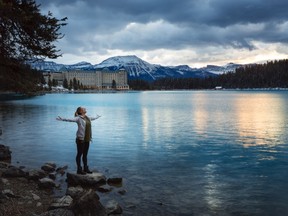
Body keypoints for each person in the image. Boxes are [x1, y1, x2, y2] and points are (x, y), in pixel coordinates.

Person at [56, 107, 101, 175]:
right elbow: (70, 119)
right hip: (80, 139)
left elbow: (93, 118)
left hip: (87, 139)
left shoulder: (87, 117)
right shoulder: (78, 118)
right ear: (81, 111)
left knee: (85, 155)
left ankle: (85, 168)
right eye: (83, 108)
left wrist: (97, 116)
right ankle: (79, 170)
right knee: (79, 154)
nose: (85, 109)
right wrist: (62, 119)